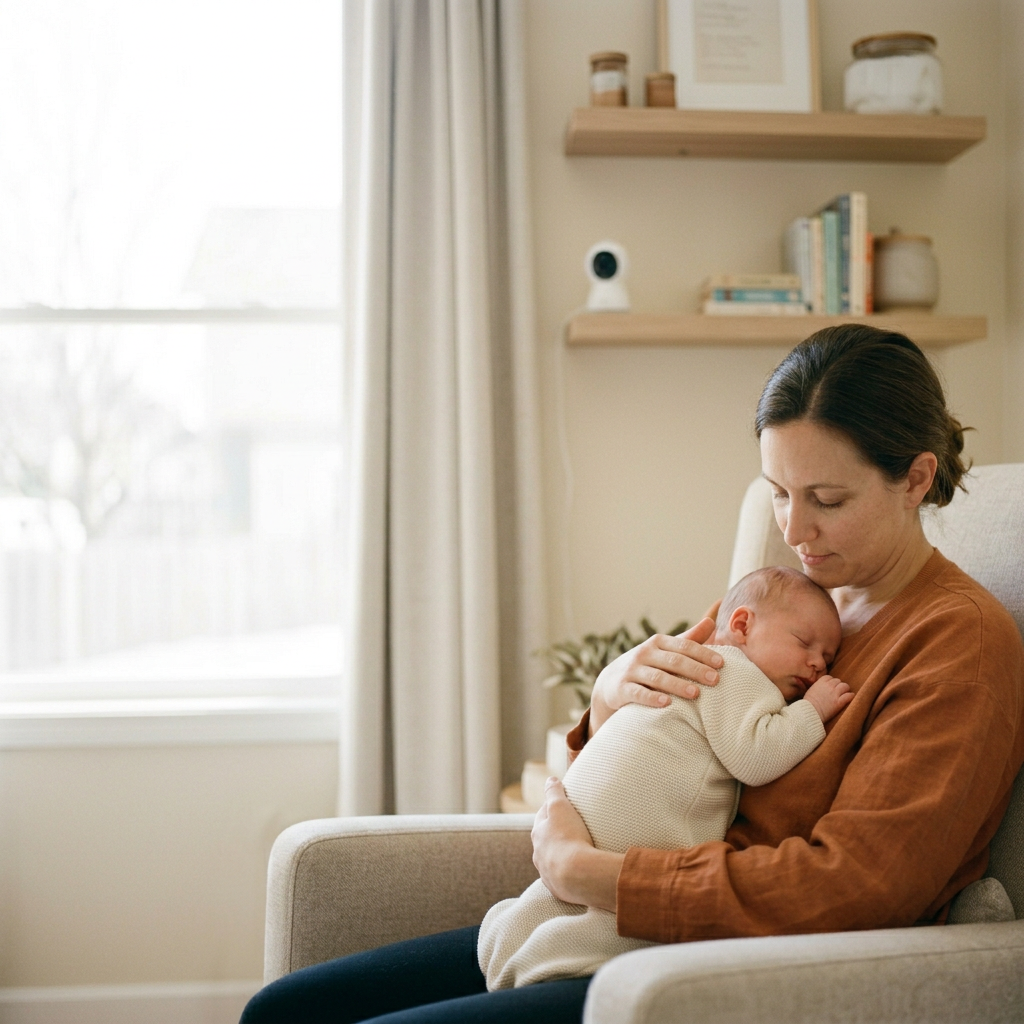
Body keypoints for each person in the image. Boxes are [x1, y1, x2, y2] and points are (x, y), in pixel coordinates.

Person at [240, 325, 1024, 1024]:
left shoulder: (959, 645)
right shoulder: (790, 598)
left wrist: (596, 874)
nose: (794, 529)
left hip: (717, 957)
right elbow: (653, 731)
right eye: (778, 493)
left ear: (916, 478)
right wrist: (609, 695)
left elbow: (859, 885)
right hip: (608, 918)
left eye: (826, 498)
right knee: (287, 1010)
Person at [479, 565, 851, 990]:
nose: (818, 665)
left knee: (548, 917)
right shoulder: (736, 674)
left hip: (597, 838)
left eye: (828, 658)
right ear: (742, 625)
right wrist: (813, 710)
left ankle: (514, 946)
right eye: (805, 644)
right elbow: (756, 756)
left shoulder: (709, 660)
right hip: (620, 852)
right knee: (594, 933)